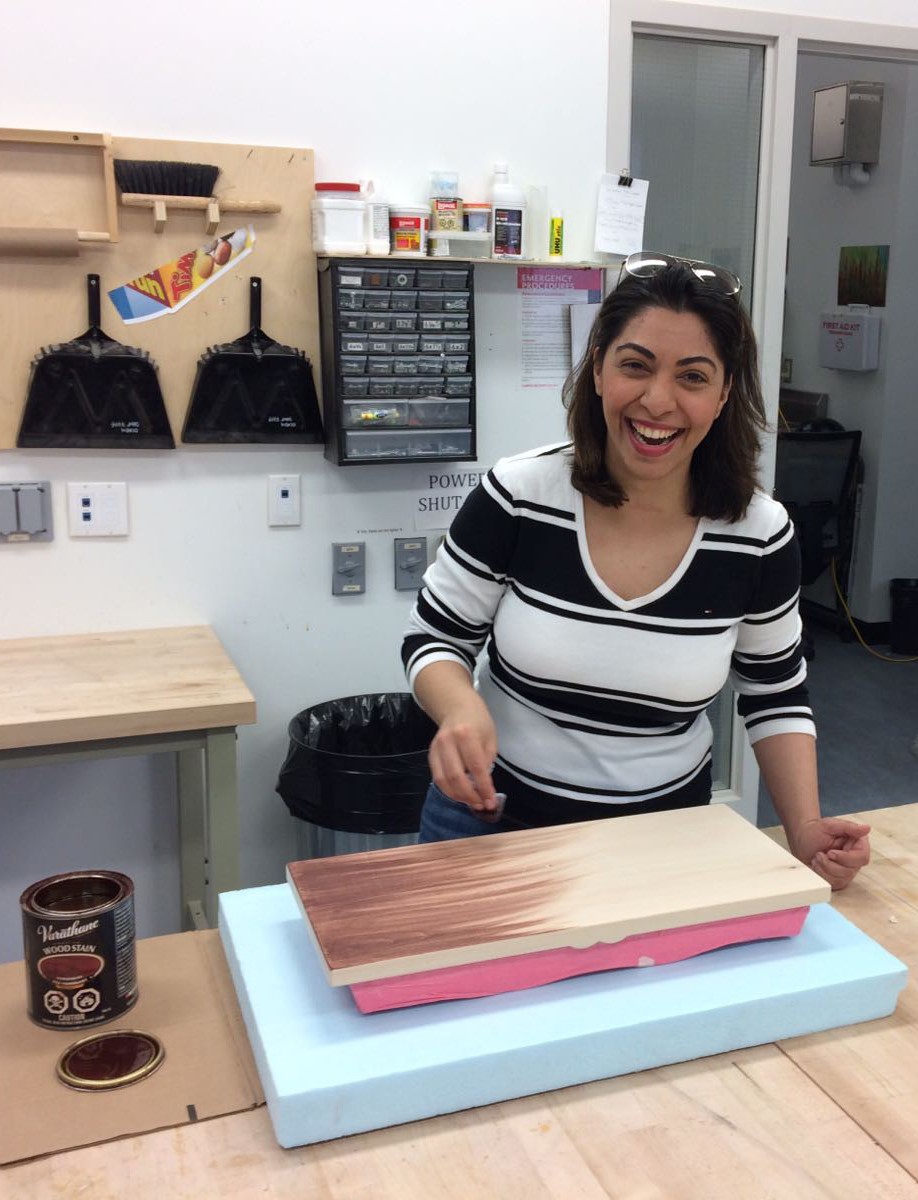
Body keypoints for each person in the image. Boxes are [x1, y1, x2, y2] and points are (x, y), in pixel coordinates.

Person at [401, 251, 870, 890]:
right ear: (598, 370)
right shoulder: (519, 496)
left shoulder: (758, 536)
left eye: (693, 376)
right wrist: (459, 708)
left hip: (663, 846)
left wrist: (805, 829)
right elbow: (434, 639)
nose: (657, 400)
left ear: (725, 393)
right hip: (489, 828)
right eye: (635, 366)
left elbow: (775, 694)